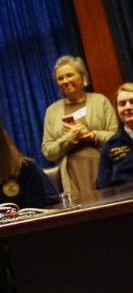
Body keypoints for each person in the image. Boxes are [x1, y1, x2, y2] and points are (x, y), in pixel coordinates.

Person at [41, 56, 117, 204]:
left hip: (101, 167)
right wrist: (69, 138)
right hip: (71, 175)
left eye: (69, 75)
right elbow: (48, 151)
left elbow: (116, 138)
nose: (65, 81)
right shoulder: (52, 111)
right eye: (60, 78)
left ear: (82, 76)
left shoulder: (100, 101)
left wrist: (92, 135)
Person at [97, 83, 133, 189]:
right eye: (122, 104)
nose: (128, 107)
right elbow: (103, 187)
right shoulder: (109, 146)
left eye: (132, 102)